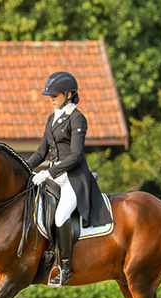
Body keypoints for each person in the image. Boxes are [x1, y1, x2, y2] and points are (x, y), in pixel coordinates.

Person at [27, 71, 113, 286]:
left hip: (74, 178)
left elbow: (75, 156)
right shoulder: (52, 117)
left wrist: (49, 172)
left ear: (68, 94)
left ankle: (65, 267)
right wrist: (23, 169)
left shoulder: (77, 118)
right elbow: (40, 153)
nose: (50, 98)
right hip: (54, 176)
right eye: (50, 95)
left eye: (54, 94)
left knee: (60, 215)